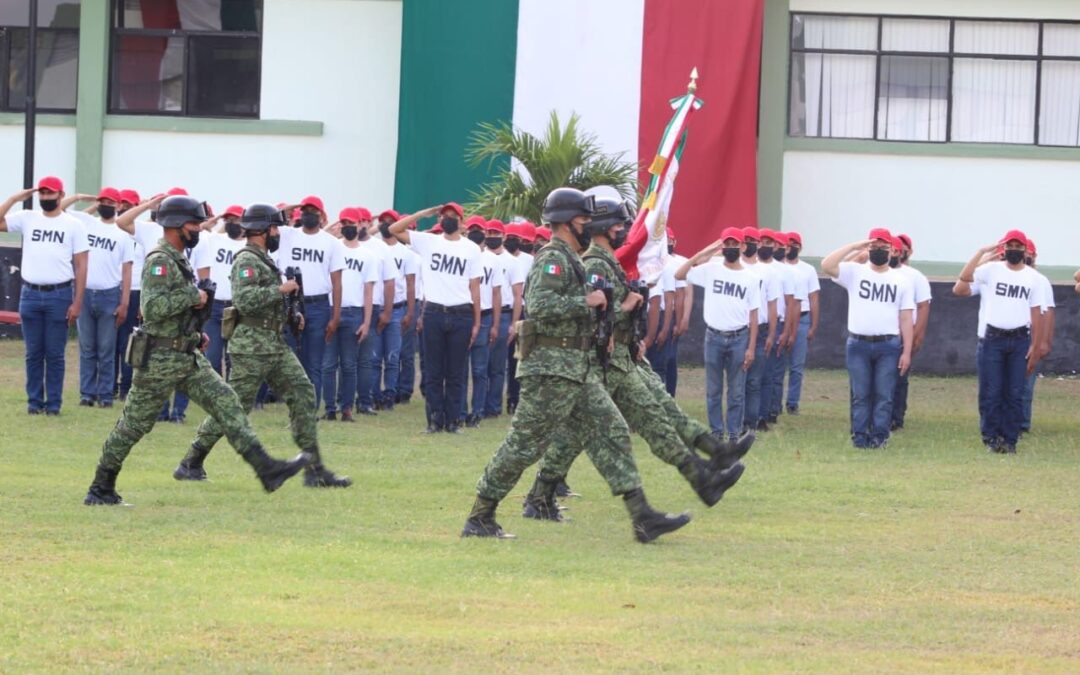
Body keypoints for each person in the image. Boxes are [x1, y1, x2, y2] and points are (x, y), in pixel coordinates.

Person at [462, 187, 691, 543]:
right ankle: (480, 515)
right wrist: (588, 299)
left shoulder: (573, 257)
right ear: (567, 222)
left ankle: (643, 517)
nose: (588, 225)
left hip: (576, 368)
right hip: (549, 369)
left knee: (613, 430)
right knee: (524, 445)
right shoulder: (551, 257)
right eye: (583, 220)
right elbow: (539, 304)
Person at [528, 197, 747, 521]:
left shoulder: (607, 262)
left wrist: (631, 334)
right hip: (603, 360)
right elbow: (594, 313)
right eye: (618, 224)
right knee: (610, 428)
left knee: (654, 415)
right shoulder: (594, 264)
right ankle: (698, 477)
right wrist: (626, 310)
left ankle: (707, 468)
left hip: (620, 356)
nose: (624, 230)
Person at [84, 196, 310, 505]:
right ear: (176, 225)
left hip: (185, 354)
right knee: (134, 424)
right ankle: (101, 486)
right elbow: (152, 308)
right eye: (193, 223)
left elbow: (175, 309)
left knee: (227, 402)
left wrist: (194, 331)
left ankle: (266, 468)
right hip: (160, 360)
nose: (197, 229)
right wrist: (193, 296)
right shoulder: (160, 259)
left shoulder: (178, 257)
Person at [173, 202, 350, 488]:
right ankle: (191, 461)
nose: (278, 233)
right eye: (274, 228)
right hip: (250, 348)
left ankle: (314, 470)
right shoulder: (246, 260)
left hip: (274, 343)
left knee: (303, 392)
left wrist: (293, 314)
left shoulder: (265, 259)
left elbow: (267, 302)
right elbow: (244, 301)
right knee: (234, 406)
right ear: (262, 231)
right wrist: (281, 289)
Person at [389, 203, 481, 434]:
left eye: (452, 216)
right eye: (444, 216)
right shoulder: (429, 242)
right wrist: (421, 213)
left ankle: (452, 421)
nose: (448, 219)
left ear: (461, 221)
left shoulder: (471, 249)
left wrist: (477, 322)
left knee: (456, 372)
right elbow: (394, 229)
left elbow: (475, 287)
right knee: (433, 371)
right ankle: (434, 420)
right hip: (434, 312)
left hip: (461, 313)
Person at [0, 177, 89, 415]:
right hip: (29, 293)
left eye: (51, 194)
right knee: (33, 353)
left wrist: (77, 301)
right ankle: (34, 402)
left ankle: (53, 404)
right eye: (43, 194)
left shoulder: (73, 225)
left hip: (59, 294)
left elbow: (81, 265)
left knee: (55, 354)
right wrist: (13, 199)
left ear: (61, 195)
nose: (46, 198)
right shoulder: (28, 218)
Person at [822, 229, 914, 449]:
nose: (879, 250)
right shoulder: (855, 272)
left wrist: (907, 351)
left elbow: (906, 317)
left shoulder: (901, 280)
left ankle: (879, 437)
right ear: (868, 248)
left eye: (884, 247)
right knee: (860, 394)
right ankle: (860, 437)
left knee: (884, 395)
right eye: (874, 246)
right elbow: (827, 265)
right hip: (858, 344)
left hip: (888, 344)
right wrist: (855, 246)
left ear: (893, 250)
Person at [954, 232, 1043, 453]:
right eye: (1010, 245)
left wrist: (1035, 345)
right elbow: (964, 280)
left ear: (1024, 250)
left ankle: (1010, 439)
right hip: (992, 339)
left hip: (1020, 338)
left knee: (1014, 393)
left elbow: (1037, 314)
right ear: (1003, 249)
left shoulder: (1034, 278)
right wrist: (982, 252)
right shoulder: (991, 270)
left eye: (1018, 246)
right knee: (991, 392)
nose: (1014, 249)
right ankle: (991, 438)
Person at [676, 228, 759, 440]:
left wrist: (751, 348)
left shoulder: (751, 277)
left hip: (739, 337)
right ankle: (715, 432)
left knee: (736, 391)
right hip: (713, 336)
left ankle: (733, 433)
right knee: (713, 390)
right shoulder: (711, 269)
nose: (731, 248)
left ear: (742, 247)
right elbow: (680, 273)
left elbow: (754, 315)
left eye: (735, 244)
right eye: (727, 244)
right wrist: (707, 250)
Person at [117, 187, 192, 421]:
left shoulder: (193, 233)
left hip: (184, 301)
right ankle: (159, 410)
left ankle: (178, 411)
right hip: (156, 301)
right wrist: (149, 205)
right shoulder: (151, 230)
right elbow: (122, 220)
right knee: (154, 356)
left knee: (184, 356)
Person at [60, 187, 134, 409]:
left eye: (111, 202)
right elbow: (61, 207)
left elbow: (127, 271)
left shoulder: (123, 235)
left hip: (109, 295)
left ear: (119, 206)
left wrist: (124, 303)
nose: (106, 205)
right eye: (103, 201)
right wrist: (85, 197)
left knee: (106, 349)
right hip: (86, 292)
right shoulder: (87, 223)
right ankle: (87, 393)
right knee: (87, 348)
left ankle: (105, 395)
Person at [276, 196, 344, 409]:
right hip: (291, 302)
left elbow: (337, 282)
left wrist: (335, 316)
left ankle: (310, 410)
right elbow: (273, 217)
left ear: (322, 216)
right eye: (305, 211)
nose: (308, 215)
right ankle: (295, 408)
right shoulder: (288, 235)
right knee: (292, 361)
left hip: (318, 305)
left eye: (313, 211)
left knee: (314, 362)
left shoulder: (331, 242)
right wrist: (295, 205)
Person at [321, 208, 377, 422]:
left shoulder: (367, 256)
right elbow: (319, 234)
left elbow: (369, 290)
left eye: (351, 223)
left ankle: (347, 409)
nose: (347, 227)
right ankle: (329, 408)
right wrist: (333, 224)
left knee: (349, 364)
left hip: (354, 312)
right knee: (328, 364)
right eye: (343, 223)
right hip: (331, 310)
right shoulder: (332, 249)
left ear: (360, 225)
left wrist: (366, 321)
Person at [191, 204, 247, 377]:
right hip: (215, 307)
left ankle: (234, 395)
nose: (232, 223)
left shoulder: (248, 245)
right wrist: (215, 220)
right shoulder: (213, 239)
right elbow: (196, 230)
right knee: (212, 356)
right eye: (228, 220)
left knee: (235, 357)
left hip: (237, 306)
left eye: (236, 220)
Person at [458, 216, 502, 427]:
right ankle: (459, 410)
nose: (476, 233)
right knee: (460, 367)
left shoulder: (493, 260)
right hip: (462, 314)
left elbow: (496, 294)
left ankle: (477, 411)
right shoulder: (461, 253)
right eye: (472, 229)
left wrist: (495, 324)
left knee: (479, 368)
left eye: (479, 230)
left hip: (484, 317)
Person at [372, 209, 418, 410]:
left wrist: (410, 312)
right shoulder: (373, 249)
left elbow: (410, 284)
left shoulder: (406, 252)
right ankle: (373, 394)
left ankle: (389, 395)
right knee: (374, 357)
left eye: (390, 222)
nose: (386, 225)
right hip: (375, 307)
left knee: (393, 356)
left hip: (398, 308)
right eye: (383, 222)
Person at [759, 229, 801, 426]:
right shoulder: (752, 266)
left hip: (779, 322)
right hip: (757, 323)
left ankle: (771, 410)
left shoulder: (785, 271)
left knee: (774, 372)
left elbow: (791, 303)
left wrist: (787, 332)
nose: (771, 247)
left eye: (773, 244)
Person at [739, 226, 779, 433]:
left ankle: (751, 422)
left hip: (761, 329)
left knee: (755, 379)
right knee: (738, 379)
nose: (749, 245)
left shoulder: (768, 272)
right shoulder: (732, 267)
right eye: (744, 241)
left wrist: (772, 333)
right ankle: (737, 420)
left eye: (752, 241)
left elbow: (773, 304)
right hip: (737, 328)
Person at [890, 234, 932, 432]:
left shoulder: (915, 276)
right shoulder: (877, 272)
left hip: (903, 333)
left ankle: (897, 416)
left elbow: (923, 306)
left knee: (899, 377)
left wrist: (917, 334)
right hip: (884, 332)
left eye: (902, 247)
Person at [483, 218, 524, 418]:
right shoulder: (479, 258)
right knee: (480, 363)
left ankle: (493, 407)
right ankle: (479, 405)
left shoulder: (512, 262)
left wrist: (514, 324)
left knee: (498, 365)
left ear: (503, 236)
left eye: (495, 234)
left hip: (506, 314)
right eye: (489, 234)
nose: (492, 237)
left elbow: (518, 295)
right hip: (484, 313)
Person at [781, 231, 819, 414]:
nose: (789, 248)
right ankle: (774, 402)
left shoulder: (808, 269)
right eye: (786, 244)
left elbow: (814, 298)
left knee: (796, 366)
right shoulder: (778, 267)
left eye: (793, 245)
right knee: (777, 365)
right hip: (782, 318)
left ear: (799, 248)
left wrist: (813, 325)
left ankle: (792, 402)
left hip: (803, 318)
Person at [1020, 239, 1054, 434]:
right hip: (1008, 334)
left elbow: (1048, 311)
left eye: (1027, 253)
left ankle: (1022, 423)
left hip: (1031, 336)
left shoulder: (1040, 280)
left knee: (1025, 385)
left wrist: (1044, 341)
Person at [114, 188, 144, 400]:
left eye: (128, 204)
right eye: (120, 203)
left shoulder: (142, 232)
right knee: (111, 344)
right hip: (112, 289)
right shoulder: (110, 227)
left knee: (128, 343)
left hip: (135, 292)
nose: (123, 207)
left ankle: (126, 386)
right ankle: (110, 385)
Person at [504, 222, 536, 415]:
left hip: (525, 311)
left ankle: (518, 398)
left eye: (522, 240)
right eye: (512, 237)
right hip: (504, 311)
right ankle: (509, 397)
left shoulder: (530, 260)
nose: (517, 242)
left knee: (521, 358)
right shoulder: (502, 258)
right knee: (506, 358)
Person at [664, 228, 690, 396]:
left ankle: (670, 395)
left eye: (669, 240)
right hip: (654, 313)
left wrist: (682, 319)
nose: (666, 243)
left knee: (670, 359)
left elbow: (684, 293)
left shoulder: (680, 262)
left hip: (671, 314)